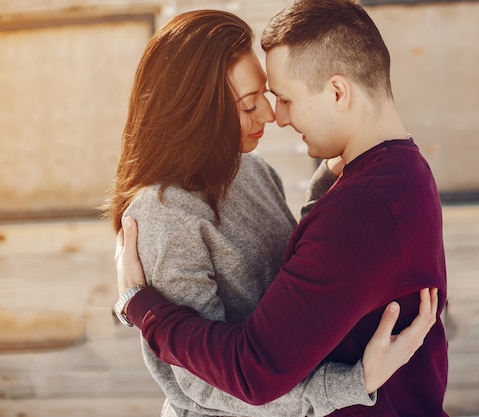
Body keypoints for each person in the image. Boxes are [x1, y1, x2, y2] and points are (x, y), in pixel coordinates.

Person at [104, 8, 438, 417]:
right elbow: (203, 380)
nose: (270, 115)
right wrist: (137, 302)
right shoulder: (165, 215)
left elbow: (297, 269)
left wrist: (338, 177)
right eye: (249, 106)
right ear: (197, 113)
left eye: (269, 95)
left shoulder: (253, 171)